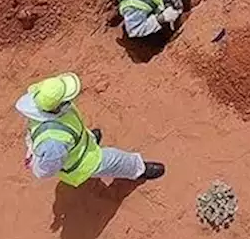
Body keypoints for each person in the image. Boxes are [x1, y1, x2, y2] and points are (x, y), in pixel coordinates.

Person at [15, 72, 165, 184]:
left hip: (78, 142)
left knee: (82, 138)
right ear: (58, 106)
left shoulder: (40, 105)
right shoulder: (54, 143)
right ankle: (140, 169)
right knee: (119, 160)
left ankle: (88, 142)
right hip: (83, 162)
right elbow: (46, 170)